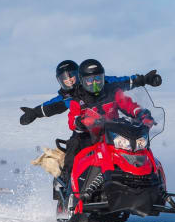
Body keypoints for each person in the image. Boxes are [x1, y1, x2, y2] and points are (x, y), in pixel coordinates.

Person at [63, 59, 157, 187]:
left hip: (114, 132)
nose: (94, 83)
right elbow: (72, 119)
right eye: (90, 80)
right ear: (82, 81)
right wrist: (81, 121)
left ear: (103, 78)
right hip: (89, 135)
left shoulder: (112, 92)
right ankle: (67, 183)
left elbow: (128, 105)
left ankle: (155, 183)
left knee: (140, 146)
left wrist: (142, 114)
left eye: (98, 79)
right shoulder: (77, 99)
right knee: (74, 144)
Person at [19, 60, 161, 125]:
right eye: (65, 79)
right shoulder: (68, 97)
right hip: (88, 132)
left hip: (114, 127)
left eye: (72, 76)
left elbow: (123, 82)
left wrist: (144, 79)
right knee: (74, 150)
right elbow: (51, 106)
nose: (69, 80)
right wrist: (35, 113)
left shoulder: (103, 84)